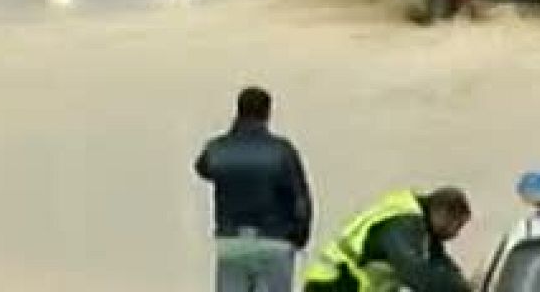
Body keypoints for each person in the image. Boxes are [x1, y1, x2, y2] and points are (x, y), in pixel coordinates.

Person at [195, 86, 313, 292]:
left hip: (231, 242)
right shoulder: (282, 151)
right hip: (274, 241)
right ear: (268, 112)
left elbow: (203, 167)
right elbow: (301, 201)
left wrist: (234, 133)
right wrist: (300, 237)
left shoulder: (220, 147)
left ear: (238, 111)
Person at [301, 186, 473, 292]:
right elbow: (415, 272)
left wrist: (462, 286)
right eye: (456, 226)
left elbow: (439, 263)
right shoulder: (404, 225)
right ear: (443, 213)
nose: (455, 234)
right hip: (336, 284)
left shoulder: (421, 226)